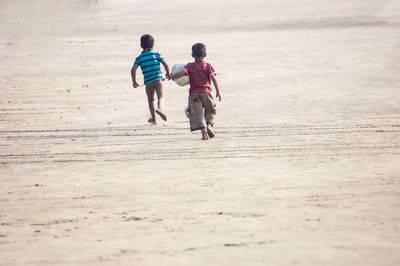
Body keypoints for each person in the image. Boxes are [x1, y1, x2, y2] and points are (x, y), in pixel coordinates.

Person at [170, 43, 221, 140]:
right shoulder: (207, 66)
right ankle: (209, 126)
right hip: (206, 92)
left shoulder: (189, 66)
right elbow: (214, 79)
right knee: (211, 111)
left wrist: (173, 77)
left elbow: (182, 73)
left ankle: (204, 133)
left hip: (194, 94)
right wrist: (218, 91)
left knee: (197, 114)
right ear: (205, 55)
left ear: (192, 55)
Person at [131, 34, 170, 124]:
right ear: (153, 45)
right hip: (158, 79)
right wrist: (167, 73)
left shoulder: (139, 58)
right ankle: (160, 109)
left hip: (148, 82)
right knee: (161, 97)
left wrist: (134, 82)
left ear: (141, 46)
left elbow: (133, 70)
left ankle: (154, 119)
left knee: (151, 99)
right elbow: (165, 64)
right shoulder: (156, 54)